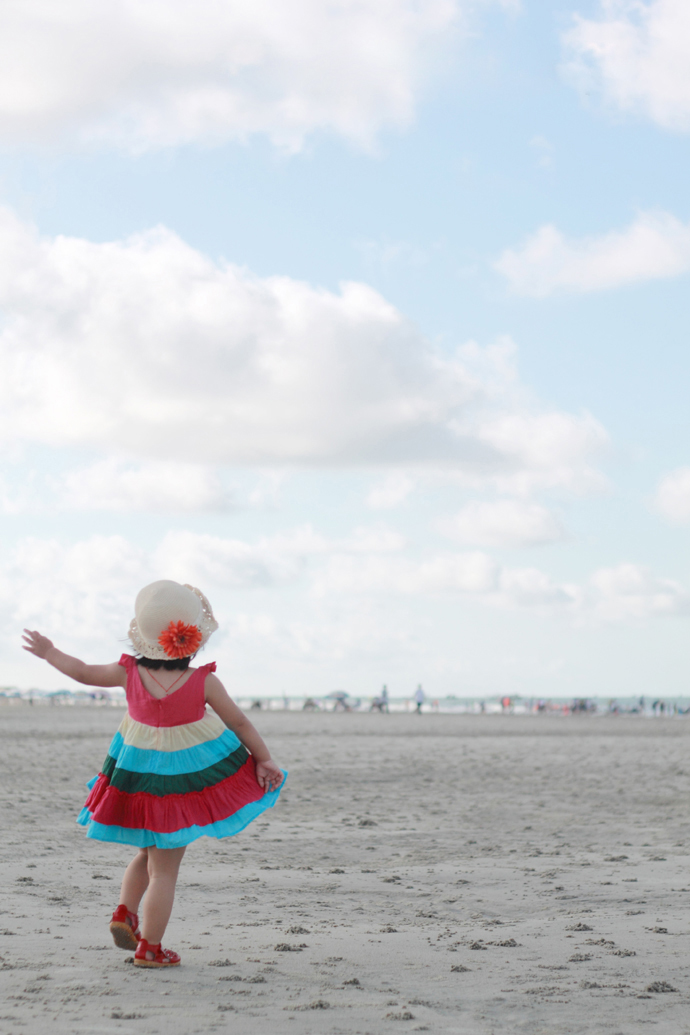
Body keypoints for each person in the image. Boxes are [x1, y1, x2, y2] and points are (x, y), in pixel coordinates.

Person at [22, 580, 286, 969]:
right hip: (180, 785)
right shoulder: (204, 681)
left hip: (136, 779)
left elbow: (81, 672)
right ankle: (151, 947)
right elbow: (240, 723)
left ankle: (125, 913)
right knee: (164, 871)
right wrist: (264, 759)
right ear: (194, 641)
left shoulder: (127, 673)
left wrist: (49, 652)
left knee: (146, 851)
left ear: (143, 640)